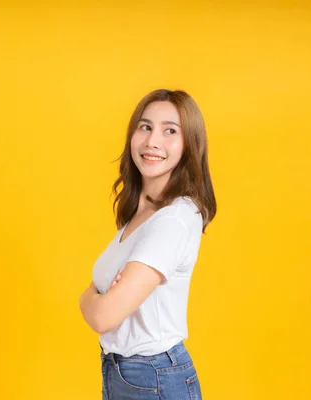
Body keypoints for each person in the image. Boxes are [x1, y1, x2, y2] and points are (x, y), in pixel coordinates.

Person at [79, 89, 216, 400]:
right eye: (145, 127)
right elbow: (105, 305)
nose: (152, 141)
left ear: (189, 145)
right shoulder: (141, 212)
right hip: (124, 372)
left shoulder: (173, 219)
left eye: (170, 131)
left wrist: (88, 297)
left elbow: (103, 317)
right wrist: (100, 296)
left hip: (153, 378)